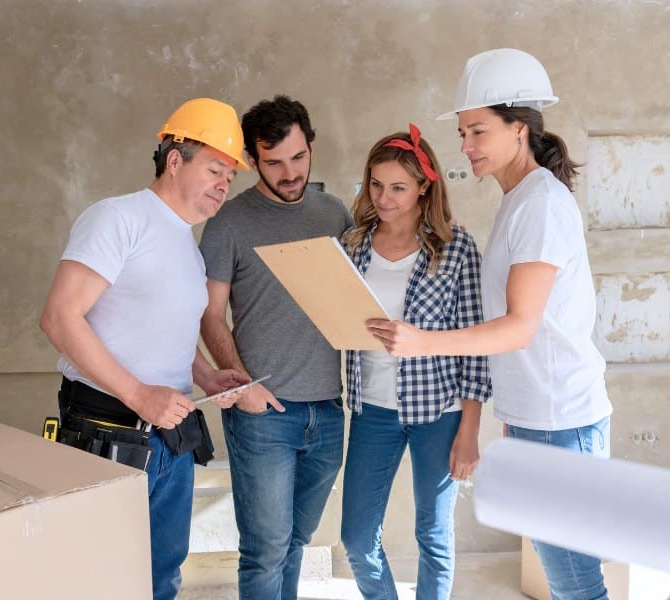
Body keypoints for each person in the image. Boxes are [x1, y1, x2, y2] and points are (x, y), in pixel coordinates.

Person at [367, 49, 613, 600]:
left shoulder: (540, 205)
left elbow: (520, 326)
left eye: (478, 131)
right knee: (565, 578)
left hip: (561, 421)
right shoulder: (518, 200)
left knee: (576, 585)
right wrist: (515, 417)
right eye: (462, 133)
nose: (465, 146)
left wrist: (422, 342)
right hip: (538, 417)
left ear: (519, 128)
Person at [38, 97, 251, 600]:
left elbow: (165, 328)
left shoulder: (186, 245)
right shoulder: (118, 219)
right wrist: (138, 394)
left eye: (230, 176)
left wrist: (206, 375)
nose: (224, 184)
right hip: (106, 430)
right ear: (174, 160)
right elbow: (60, 318)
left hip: (170, 439)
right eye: (214, 169)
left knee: (160, 578)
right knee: (101, 580)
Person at [198, 95, 352, 600]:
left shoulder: (335, 214)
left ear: (312, 146)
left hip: (328, 409)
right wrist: (242, 387)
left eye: (298, 157)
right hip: (263, 413)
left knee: (296, 542)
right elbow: (208, 313)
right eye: (274, 162)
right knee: (265, 549)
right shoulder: (229, 223)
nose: (290, 173)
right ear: (251, 160)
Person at [339, 124, 491, 600]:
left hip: (439, 413)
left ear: (424, 187)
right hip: (372, 410)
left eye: (398, 188)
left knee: (434, 536)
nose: (383, 198)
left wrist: (469, 432)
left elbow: (475, 346)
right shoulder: (352, 245)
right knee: (357, 537)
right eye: (376, 184)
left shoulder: (456, 247)